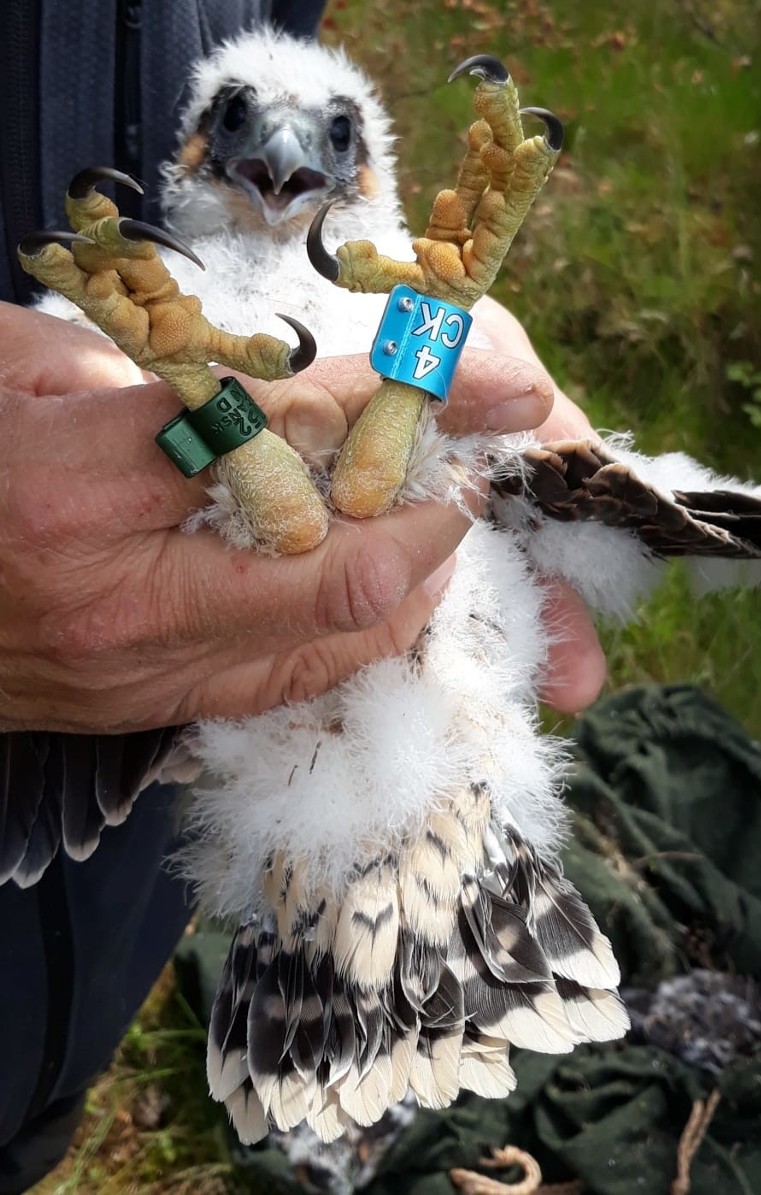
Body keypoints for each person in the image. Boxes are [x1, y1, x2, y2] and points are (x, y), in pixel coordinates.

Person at [0, 2, 604, 1189]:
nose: (278, 163)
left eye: (326, 137)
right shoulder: (120, 308)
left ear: (368, 160)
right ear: (195, 143)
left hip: (134, 825)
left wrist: (441, 326)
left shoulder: (255, 294)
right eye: (236, 125)